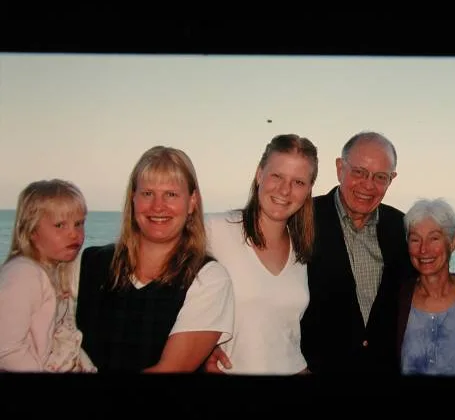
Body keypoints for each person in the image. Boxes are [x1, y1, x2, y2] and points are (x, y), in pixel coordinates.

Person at [75, 146, 234, 372]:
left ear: (192, 202)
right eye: (148, 193)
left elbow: (170, 369)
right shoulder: (89, 263)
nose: (158, 206)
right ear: (133, 198)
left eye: (171, 194)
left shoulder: (208, 279)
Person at [300, 131, 413, 374]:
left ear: (391, 179)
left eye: (380, 177)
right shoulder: (301, 218)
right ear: (340, 168)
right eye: (359, 172)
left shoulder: (403, 228)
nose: (368, 185)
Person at [204, 134, 318, 374]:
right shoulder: (215, 230)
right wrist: (199, 349)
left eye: (298, 182)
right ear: (259, 174)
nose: (285, 190)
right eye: (277, 176)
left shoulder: (301, 249)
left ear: (309, 190)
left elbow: (285, 341)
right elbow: (162, 289)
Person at [0, 179, 96, 372]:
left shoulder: (56, 270)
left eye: (79, 224)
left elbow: (66, 337)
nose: (74, 234)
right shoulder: (22, 275)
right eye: (60, 225)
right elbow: (7, 350)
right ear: (31, 230)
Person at [397, 198, 455, 376]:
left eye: (434, 238)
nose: (423, 250)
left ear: (453, 242)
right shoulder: (398, 298)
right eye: (415, 240)